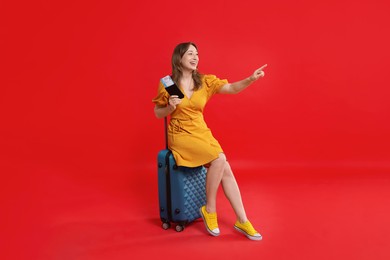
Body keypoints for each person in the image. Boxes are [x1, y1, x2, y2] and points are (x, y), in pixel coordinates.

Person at [152, 42, 267, 241]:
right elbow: (157, 113)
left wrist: (250, 79)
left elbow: (231, 88)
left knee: (225, 168)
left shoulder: (204, 81)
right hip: (180, 134)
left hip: (201, 132)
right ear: (179, 58)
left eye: (197, 54)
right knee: (220, 158)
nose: (195, 57)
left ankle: (242, 219)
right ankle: (210, 209)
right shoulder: (168, 83)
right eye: (190, 53)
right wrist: (170, 108)